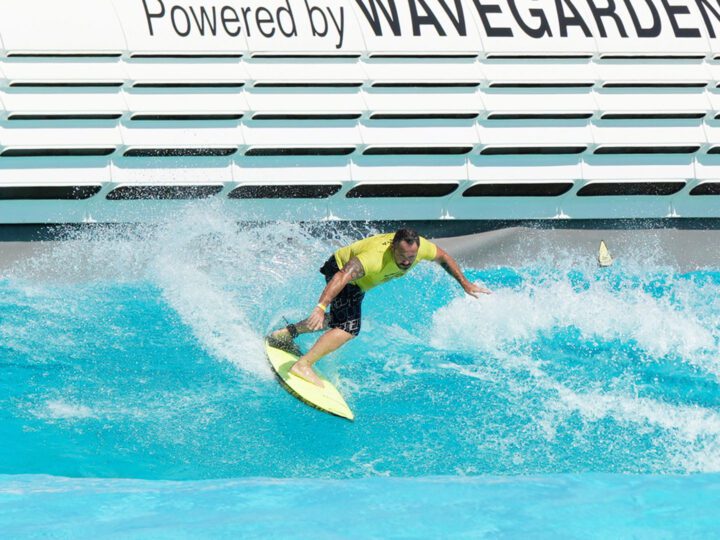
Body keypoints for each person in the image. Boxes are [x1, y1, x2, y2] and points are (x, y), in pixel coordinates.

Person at [269, 228, 490, 386]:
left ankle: (285, 334)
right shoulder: (372, 259)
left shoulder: (419, 247)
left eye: (411, 257)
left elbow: (443, 257)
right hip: (342, 271)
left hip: (356, 282)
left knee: (338, 320)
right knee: (348, 328)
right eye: (402, 257)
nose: (407, 262)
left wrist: (465, 283)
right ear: (393, 247)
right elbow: (342, 276)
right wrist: (320, 306)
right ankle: (303, 365)